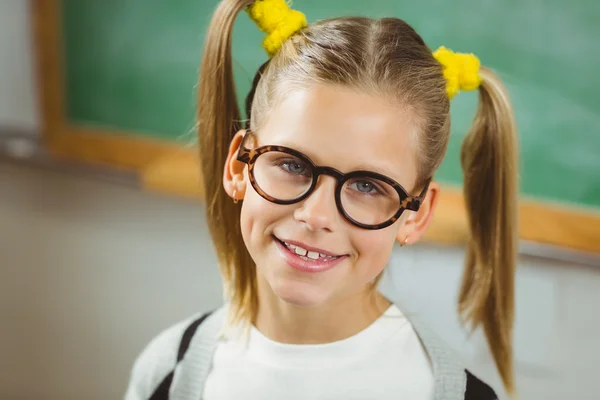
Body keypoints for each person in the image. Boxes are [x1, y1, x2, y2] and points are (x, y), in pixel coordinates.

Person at [125, 0, 519, 399]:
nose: (315, 215)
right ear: (238, 166)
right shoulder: (167, 372)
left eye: (367, 185)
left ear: (416, 214)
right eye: (292, 165)